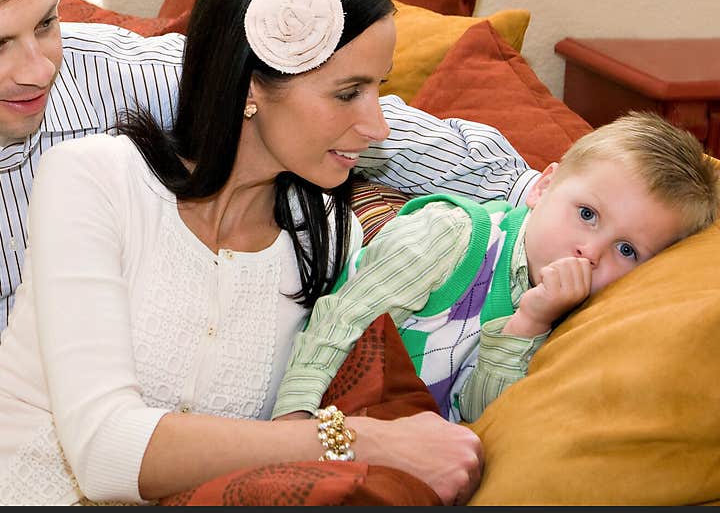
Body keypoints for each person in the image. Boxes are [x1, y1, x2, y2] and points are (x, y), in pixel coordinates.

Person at [0, 0, 534, 506]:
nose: (40, 67)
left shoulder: (130, 76)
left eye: (47, 22)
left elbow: (324, 103)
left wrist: (544, 193)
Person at [272, 112, 720, 424]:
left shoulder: (571, 317)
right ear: (544, 186)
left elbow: (479, 412)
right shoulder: (452, 234)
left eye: (626, 250)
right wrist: (293, 419)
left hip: (407, 449)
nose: (590, 252)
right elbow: (343, 318)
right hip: (321, 412)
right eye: (586, 214)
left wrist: (529, 323)